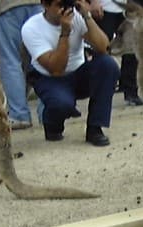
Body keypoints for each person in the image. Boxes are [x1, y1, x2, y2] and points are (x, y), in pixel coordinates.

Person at [22, 0, 119, 145]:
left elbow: (104, 48)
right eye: (60, 4)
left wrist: (87, 16)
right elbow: (56, 69)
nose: (65, 9)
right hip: (49, 78)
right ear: (45, 5)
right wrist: (65, 32)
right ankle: (52, 123)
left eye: (68, 3)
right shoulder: (31, 28)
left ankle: (95, 128)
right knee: (62, 104)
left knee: (108, 65)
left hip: (78, 71)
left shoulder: (77, 17)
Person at [0, 0, 43, 129]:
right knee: (41, 57)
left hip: (7, 5)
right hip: (40, 4)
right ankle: (47, 114)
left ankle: (19, 115)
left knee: (10, 60)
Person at [98, 0, 142, 104]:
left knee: (130, 48)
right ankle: (100, 93)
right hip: (104, 8)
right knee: (102, 49)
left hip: (126, 9)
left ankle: (131, 92)